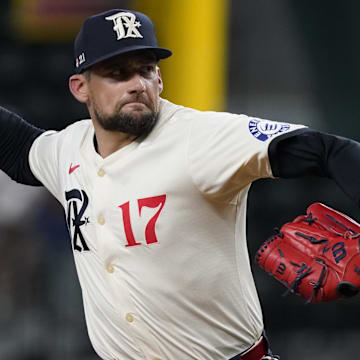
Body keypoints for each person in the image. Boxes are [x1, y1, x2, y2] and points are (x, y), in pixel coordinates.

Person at [1, 8, 360, 360]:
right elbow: (18, 148)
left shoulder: (198, 138)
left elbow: (327, 150)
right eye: (117, 73)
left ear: (160, 79)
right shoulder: (68, 149)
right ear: (81, 87)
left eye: (145, 70)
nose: (136, 84)